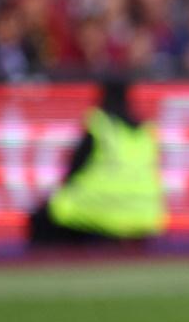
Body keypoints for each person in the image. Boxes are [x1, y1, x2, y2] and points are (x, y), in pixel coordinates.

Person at [29, 76, 167, 246]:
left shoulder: (100, 124)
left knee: (42, 218)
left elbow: (75, 168)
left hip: (102, 212)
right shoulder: (147, 130)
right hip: (145, 216)